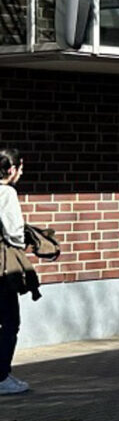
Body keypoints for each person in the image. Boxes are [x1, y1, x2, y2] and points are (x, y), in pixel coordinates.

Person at [0, 148, 28, 394]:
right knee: (10, 321)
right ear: (11, 169)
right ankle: (1, 376)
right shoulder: (6, 192)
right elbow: (14, 232)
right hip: (1, 268)